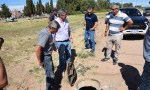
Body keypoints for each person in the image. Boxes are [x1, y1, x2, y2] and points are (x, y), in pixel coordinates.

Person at [36, 21, 59, 90]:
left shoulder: (48, 32)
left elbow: (50, 42)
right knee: (50, 75)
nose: (57, 31)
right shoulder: (46, 34)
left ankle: (52, 84)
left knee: (51, 70)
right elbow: (38, 49)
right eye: (56, 29)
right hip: (46, 57)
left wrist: (54, 48)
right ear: (52, 28)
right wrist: (40, 61)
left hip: (48, 56)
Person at [54, 9, 72, 75]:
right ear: (60, 15)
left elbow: (69, 30)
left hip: (67, 41)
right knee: (61, 57)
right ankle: (62, 70)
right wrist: (54, 44)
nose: (66, 16)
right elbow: (53, 34)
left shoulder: (66, 20)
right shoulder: (55, 22)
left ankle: (69, 68)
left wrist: (70, 37)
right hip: (60, 42)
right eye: (65, 15)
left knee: (69, 55)